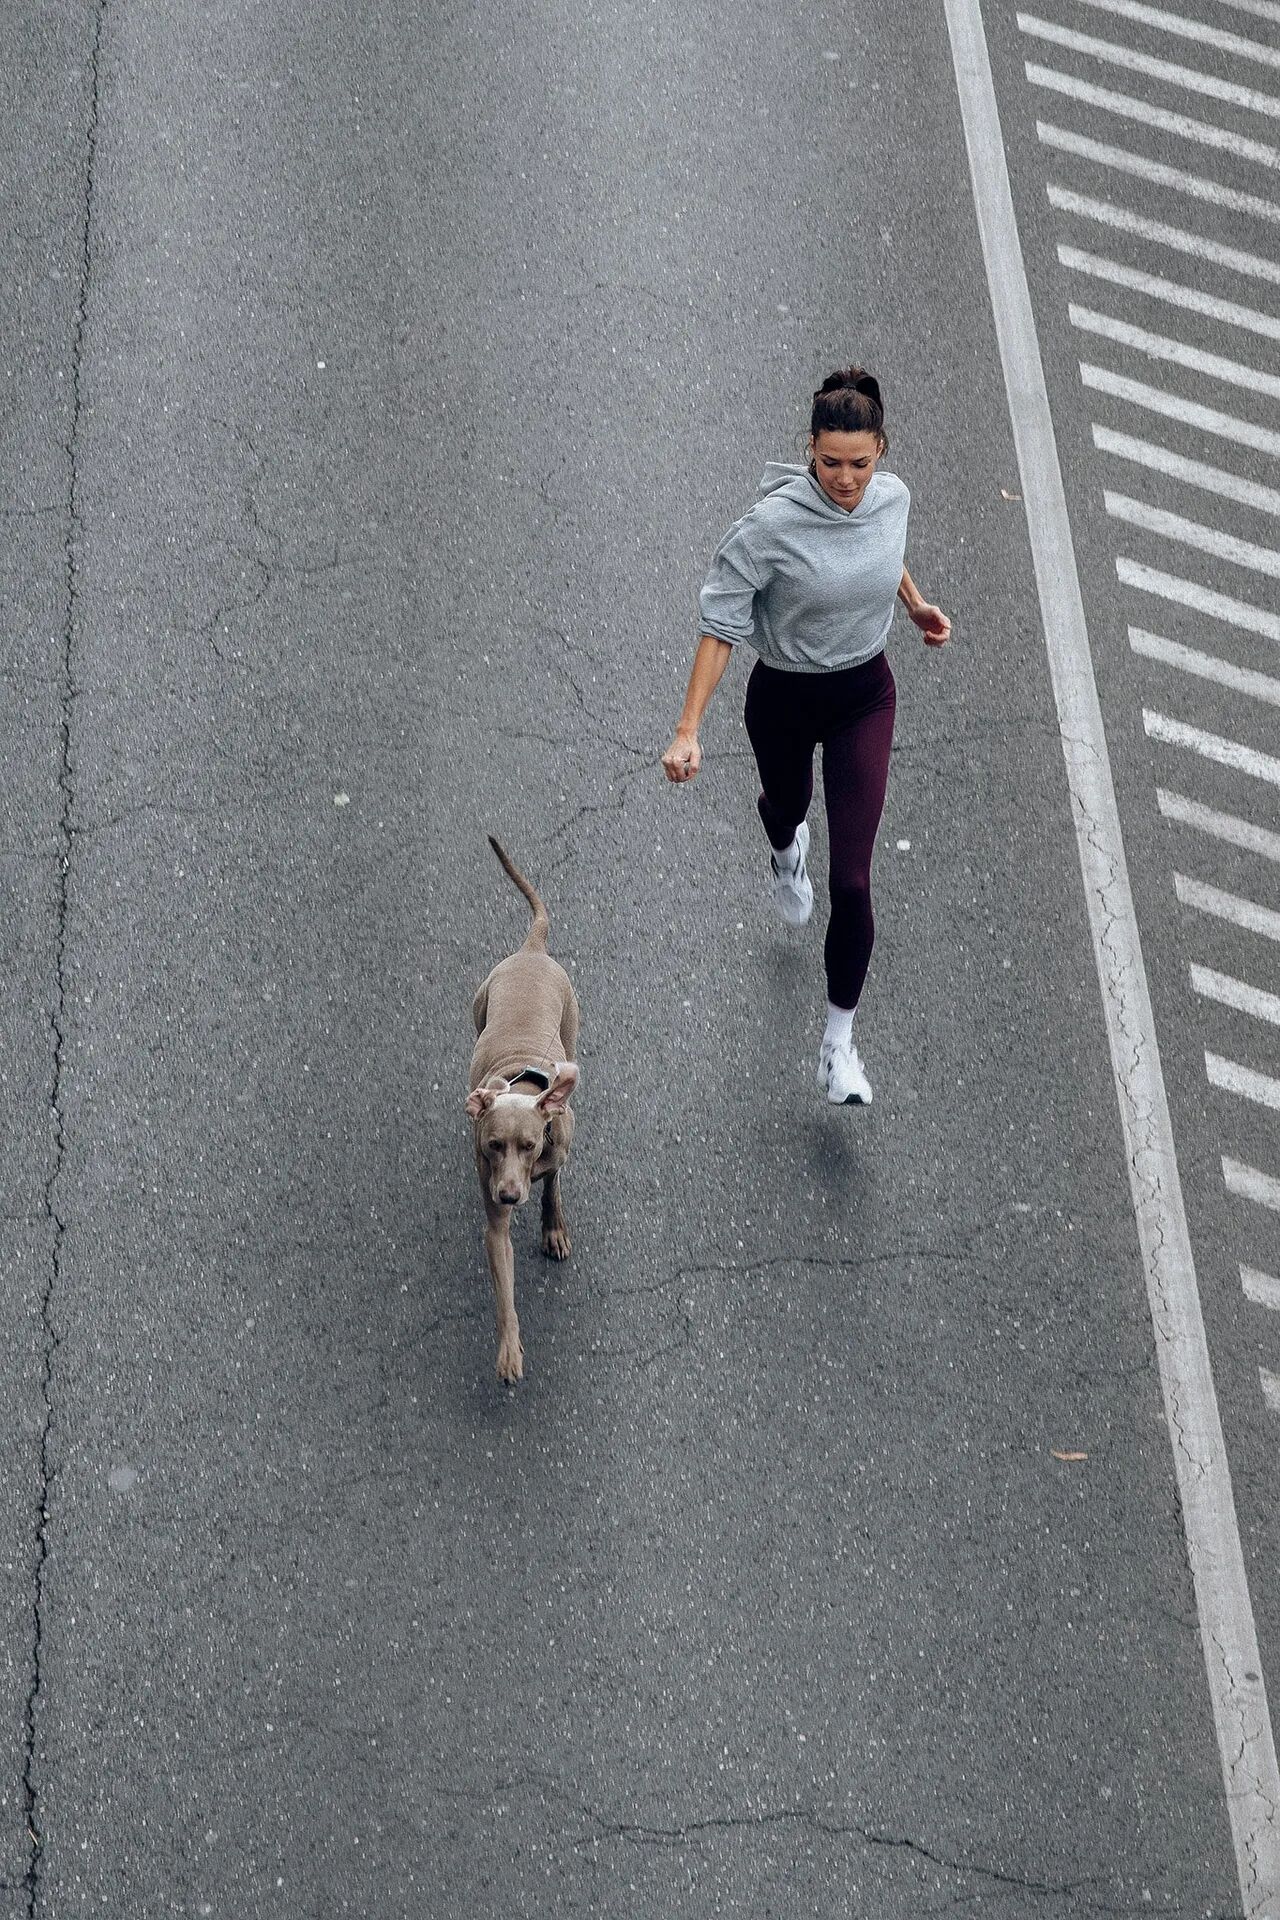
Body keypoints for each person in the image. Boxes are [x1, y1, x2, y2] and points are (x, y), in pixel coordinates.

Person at [662, 366, 951, 1105]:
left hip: (865, 694)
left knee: (854, 881)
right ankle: (786, 854)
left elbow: (881, 557)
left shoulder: (893, 499)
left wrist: (914, 605)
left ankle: (836, 1048)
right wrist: (689, 728)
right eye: (830, 463)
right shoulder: (768, 527)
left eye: (861, 462)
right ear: (809, 450)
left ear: (881, 449)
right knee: (785, 809)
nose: (847, 479)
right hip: (785, 694)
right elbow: (721, 625)